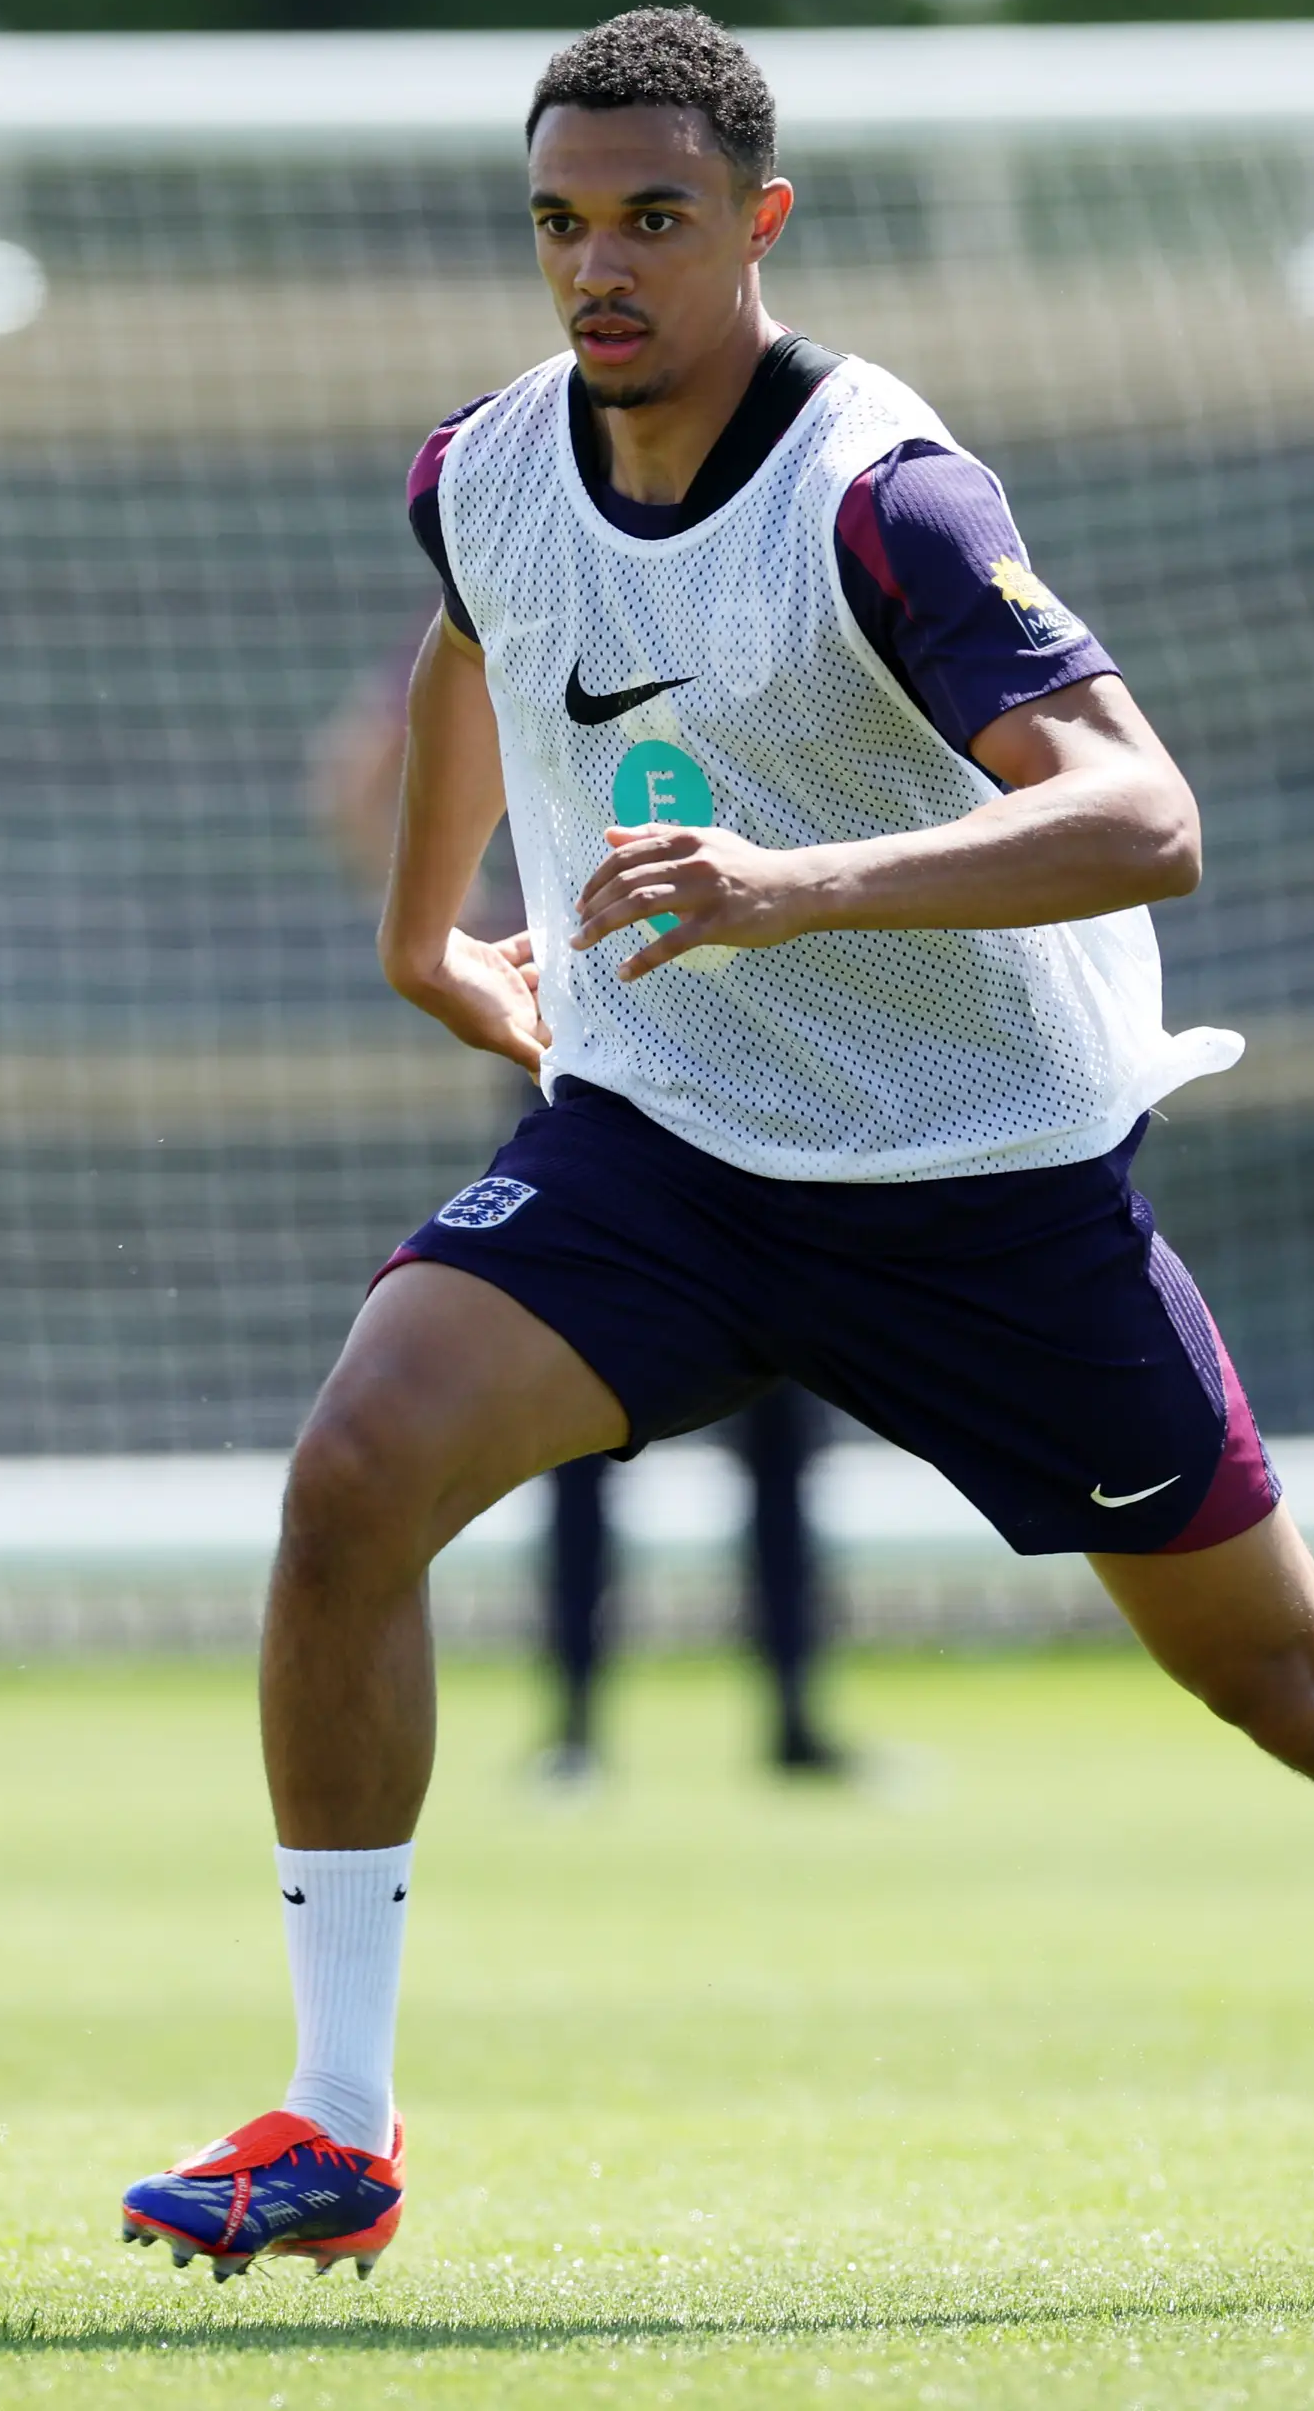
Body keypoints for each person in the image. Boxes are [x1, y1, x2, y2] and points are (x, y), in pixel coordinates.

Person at [122, 7, 1314, 2296]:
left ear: (759, 224)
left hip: (984, 1191)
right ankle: (337, 2117)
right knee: (351, 1479)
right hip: (666, 1147)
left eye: (651, 220)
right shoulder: (486, 465)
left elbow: (1146, 813)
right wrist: (431, 939)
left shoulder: (884, 493)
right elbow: (469, 641)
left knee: (1301, 1688)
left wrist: (787, 882)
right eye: (559, 223)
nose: (597, 265)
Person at [320, 636, 849, 1785]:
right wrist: (450, 924)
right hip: (622, 1043)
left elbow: (355, 772)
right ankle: (661, 1720)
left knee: (739, 1410)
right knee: (637, 1405)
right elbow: (360, 770)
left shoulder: (618, 597)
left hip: (734, 1049)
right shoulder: (517, 596)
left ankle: (675, 1723)